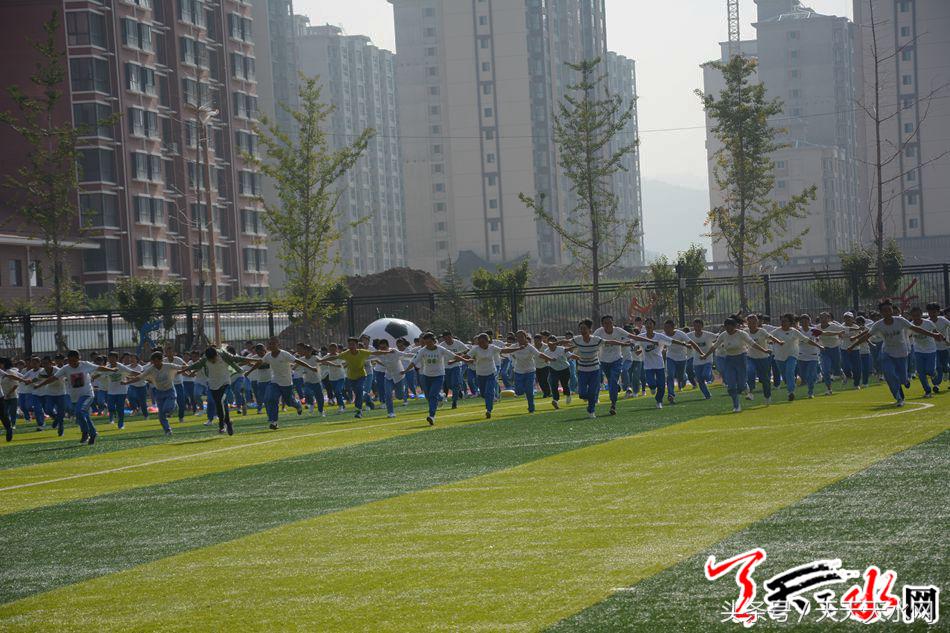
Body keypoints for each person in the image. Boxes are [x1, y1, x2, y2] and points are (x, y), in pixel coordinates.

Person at [848, 300, 944, 406]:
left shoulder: (900, 320)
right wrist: (852, 346)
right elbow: (867, 335)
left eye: (889, 310)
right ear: (881, 312)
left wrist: (933, 335)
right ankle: (899, 398)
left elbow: (916, 329)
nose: (887, 312)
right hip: (887, 352)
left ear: (892, 310)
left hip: (901, 352)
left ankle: (905, 380)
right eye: (884, 310)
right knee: (889, 374)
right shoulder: (879, 324)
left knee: (902, 379)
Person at [32, 350, 121, 444]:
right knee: (84, 415)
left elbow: (99, 368)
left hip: (87, 394)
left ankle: (85, 433)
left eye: (74, 361)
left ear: (79, 358)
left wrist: (112, 370)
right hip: (75, 397)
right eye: (70, 361)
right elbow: (53, 378)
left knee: (80, 411)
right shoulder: (66, 368)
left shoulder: (85, 365)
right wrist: (39, 385)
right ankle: (93, 432)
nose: (72, 363)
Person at [700, 317, 771, 413]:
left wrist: (764, 350)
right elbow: (715, 346)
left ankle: (745, 387)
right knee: (731, 385)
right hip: (729, 360)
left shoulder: (742, 334)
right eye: (726, 328)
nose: (728, 330)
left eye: (730, 328)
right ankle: (736, 406)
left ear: (735, 326)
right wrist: (705, 355)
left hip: (741, 359)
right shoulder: (723, 335)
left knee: (741, 385)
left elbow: (752, 344)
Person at [245, 338, 318, 429]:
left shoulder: (284, 354)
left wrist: (311, 367)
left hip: (286, 382)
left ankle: (298, 405)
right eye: (269, 344)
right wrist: (249, 371)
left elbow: (297, 361)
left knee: (289, 402)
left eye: (273, 344)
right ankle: (273, 422)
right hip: (275, 381)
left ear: (278, 345)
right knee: (271, 399)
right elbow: (259, 363)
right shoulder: (268, 356)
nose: (270, 345)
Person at [401, 332, 469, 425]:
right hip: (426, 376)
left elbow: (454, 356)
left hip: (438, 376)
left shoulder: (440, 349)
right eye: (426, 343)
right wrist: (405, 370)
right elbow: (414, 361)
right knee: (428, 396)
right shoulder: (423, 351)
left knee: (432, 395)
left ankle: (431, 416)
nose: (427, 345)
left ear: (434, 341)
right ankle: (441, 397)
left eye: (429, 343)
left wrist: (466, 360)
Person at [319, 337, 394, 419]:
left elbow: (375, 353)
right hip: (351, 377)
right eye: (349, 344)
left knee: (359, 390)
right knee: (359, 392)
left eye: (353, 344)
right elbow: (335, 357)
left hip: (361, 375)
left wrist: (387, 351)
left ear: (357, 345)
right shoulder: (346, 353)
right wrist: (321, 360)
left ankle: (359, 410)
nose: (351, 346)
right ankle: (369, 401)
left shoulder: (362, 352)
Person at [629, 318, 692, 410]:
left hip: (659, 364)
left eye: (650, 324)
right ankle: (652, 388)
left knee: (661, 385)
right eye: (647, 324)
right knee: (652, 384)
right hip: (648, 365)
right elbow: (633, 343)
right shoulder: (641, 336)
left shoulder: (659, 336)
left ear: (653, 326)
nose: (649, 325)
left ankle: (659, 401)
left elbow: (672, 341)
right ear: (645, 326)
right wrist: (634, 348)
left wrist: (684, 344)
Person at [181, 346, 244, 435]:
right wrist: (184, 370)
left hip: (225, 384)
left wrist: (254, 361)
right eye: (210, 359)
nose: (212, 361)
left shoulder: (224, 356)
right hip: (213, 386)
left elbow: (238, 358)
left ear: (216, 355)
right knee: (220, 405)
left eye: (213, 358)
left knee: (221, 401)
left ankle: (222, 425)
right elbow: (196, 365)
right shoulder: (205, 360)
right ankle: (228, 422)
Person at [769, 313, 822, 401]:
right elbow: (768, 337)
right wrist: (773, 342)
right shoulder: (776, 331)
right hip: (779, 357)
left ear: (790, 322)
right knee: (785, 376)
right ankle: (790, 384)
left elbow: (806, 340)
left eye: (785, 321)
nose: (783, 323)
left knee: (790, 372)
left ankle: (791, 392)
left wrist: (819, 346)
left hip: (792, 355)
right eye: (782, 321)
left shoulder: (794, 331)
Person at [500, 330, 555, 414]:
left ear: (525, 337)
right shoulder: (514, 346)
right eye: (518, 337)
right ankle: (525, 390)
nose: (520, 338)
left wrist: (550, 359)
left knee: (529, 391)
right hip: (518, 371)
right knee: (518, 391)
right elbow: (505, 351)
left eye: (521, 337)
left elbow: (539, 354)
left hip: (530, 371)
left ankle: (531, 408)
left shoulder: (530, 347)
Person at [593, 315, 634, 416]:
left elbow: (632, 336)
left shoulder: (618, 330)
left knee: (612, 381)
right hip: (603, 361)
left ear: (613, 322)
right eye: (606, 323)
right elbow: (591, 341)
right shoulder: (599, 332)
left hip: (616, 360)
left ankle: (613, 404)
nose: (608, 325)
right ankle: (614, 391)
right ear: (602, 325)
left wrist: (646, 339)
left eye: (610, 322)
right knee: (611, 381)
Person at [461, 334, 503, 418]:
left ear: (487, 341)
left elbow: (504, 351)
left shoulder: (492, 347)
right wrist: (455, 359)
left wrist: (518, 349)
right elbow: (466, 356)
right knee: (483, 394)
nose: (480, 344)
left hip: (491, 373)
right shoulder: (476, 349)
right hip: (480, 374)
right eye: (479, 342)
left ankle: (489, 410)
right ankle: (490, 398)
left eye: (483, 342)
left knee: (489, 392)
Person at [745, 314, 783, 403]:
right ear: (747, 323)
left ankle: (767, 396)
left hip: (763, 358)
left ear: (757, 322)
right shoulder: (745, 332)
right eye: (749, 322)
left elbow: (771, 337)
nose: (752, 324)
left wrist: (779, 342)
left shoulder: (762, 331)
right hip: (750, 357)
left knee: (765, 379)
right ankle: (750, 392)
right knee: (750, 372)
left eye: (754, 322)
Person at [907, 306, 942, 398]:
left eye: (918, 315)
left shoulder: (928, 323)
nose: (916, 317)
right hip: (918, 351)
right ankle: (927, 391)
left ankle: (934, 373)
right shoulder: (910, 325)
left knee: (929, 370)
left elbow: (935, 332)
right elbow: (907, 336)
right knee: (921, 373)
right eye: (914, 316)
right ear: (911, 316)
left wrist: (940, 338)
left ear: (921, 315)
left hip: (930, 350)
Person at [661, 319, 695, 405]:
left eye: (668, 328)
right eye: (665, 328)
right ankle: (671, 394)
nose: (666, 330)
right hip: (670, 358)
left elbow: (691, 343)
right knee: (670, 375)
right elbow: (658, 343)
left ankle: (684, 378)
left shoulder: (680, 334)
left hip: (682, 358)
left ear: (673, 327)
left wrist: (701, 353)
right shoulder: (663, 335)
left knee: (680, 377)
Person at [687, 319, 717, 400]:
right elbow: (682, 339)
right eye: (695, 326)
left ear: (702, 326)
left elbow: (718, 338)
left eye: (698, 326)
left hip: (708, 359)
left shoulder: (708, 335)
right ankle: (707, 395)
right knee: (700, 380)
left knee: (705, 375)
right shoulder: (690, 335)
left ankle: (711, 376)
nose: (696, 327)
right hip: (697, 361)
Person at [544, 335, 572, 409]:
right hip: (553, 369)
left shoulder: (561, 349)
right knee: (553, 384)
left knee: (564, 384)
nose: (551, 344)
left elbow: (570, 356)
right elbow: (546, 360)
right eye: (549, 342)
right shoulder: (546, 351)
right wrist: (549, 360)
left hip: (564, 369)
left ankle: (568, 395)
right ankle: (555, 400)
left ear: (556, 343)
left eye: (553, 342)